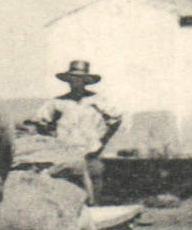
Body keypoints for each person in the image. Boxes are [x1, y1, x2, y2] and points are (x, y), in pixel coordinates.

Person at [26, 60, 124, 203]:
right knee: (65, 200)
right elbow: (40, 121)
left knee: (92, 201)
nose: (76, 82)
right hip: (65, 158)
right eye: (73, 78)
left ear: (86, 81)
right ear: (68, 80)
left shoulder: (98, 100)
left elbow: (116, 119)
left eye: (80, 79)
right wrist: (52, 141)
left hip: (90, 155)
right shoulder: (58, 102)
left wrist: (102, 142)